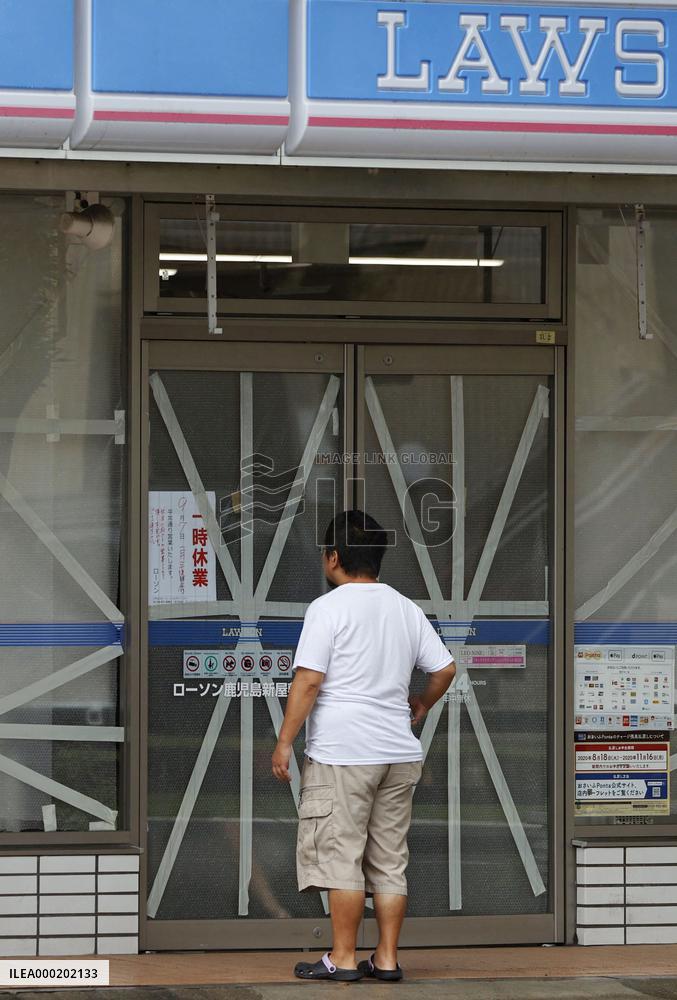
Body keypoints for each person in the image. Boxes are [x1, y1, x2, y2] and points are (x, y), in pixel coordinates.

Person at [271, 509, 456, 982]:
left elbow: (309, 681)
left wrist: (284, 742)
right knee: (390, 860)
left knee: (341, 857)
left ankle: (344, 958)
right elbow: (445, 670)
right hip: (398, 754)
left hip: (343, 754)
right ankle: (388, 959)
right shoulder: (405, 608)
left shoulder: (327, 608)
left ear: (333, 558)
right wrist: (422, 704)